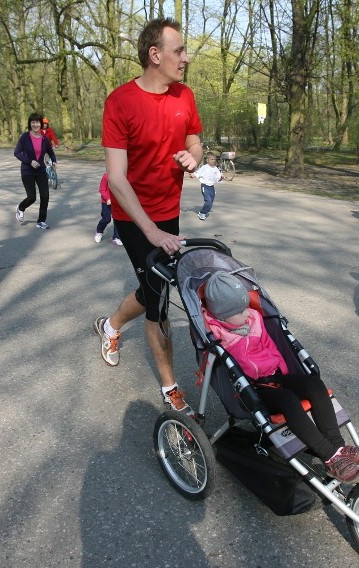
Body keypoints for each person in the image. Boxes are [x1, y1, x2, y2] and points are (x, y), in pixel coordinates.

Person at [94, 17, 203, 414]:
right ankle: (171, 389)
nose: (186, 58)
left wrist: (195, 157)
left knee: (154, 286)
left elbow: (195, 142)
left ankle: (111, 324)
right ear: (155, 55)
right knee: (158, 297)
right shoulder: (120, 101)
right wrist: (152, 233)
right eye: (179, 51)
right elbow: (117, 180)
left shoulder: (184, 96)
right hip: (133, 215)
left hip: (168, 210)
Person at [202, 271, 359, 482]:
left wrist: (285, 374)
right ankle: (331, 458)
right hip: (252, 388)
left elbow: (271, 346)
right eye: (239, 312)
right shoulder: (217, 332)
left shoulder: (255, 317)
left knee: (313, 384)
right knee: (288, 400)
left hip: (275, 375)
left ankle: (339, 447)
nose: (246, 313)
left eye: (245, 306)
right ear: (222, 315)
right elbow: (227, 359)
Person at [14, 112, 56, 229]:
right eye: (33, 122)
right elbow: (17, 152)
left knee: (45, 196)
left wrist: (54, 162)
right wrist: (29, 161)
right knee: (32, 197)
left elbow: (50, 152)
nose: (35, 124)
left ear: (41, 124)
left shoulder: (44, 139)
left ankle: (41, 221)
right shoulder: (25, 137)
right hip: (27, 171)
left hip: (41, 170)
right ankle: (20, 208)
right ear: (30, 124)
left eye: (37, 122)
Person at [94, 172, 121, 245]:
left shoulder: (121, 175)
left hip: (118, 202)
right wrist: (108, 198)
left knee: (118, 220)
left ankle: (116, 237)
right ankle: (99, 232)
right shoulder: (107, 176)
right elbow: (102, 189)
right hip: (106, 202)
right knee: (106, 219)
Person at [195, 152, 222, 220]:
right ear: (207, 160)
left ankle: (205, 210)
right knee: (208, 201)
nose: (213, 161)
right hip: (205, 186)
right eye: (211, 159)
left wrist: (221, 178)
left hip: (211, 187)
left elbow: (218, 178)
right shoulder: (204, 167)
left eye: (214, 159)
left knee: (211, 202)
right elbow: (198, 174)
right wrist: (193, 175)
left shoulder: (216, 169)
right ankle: (202, 213)